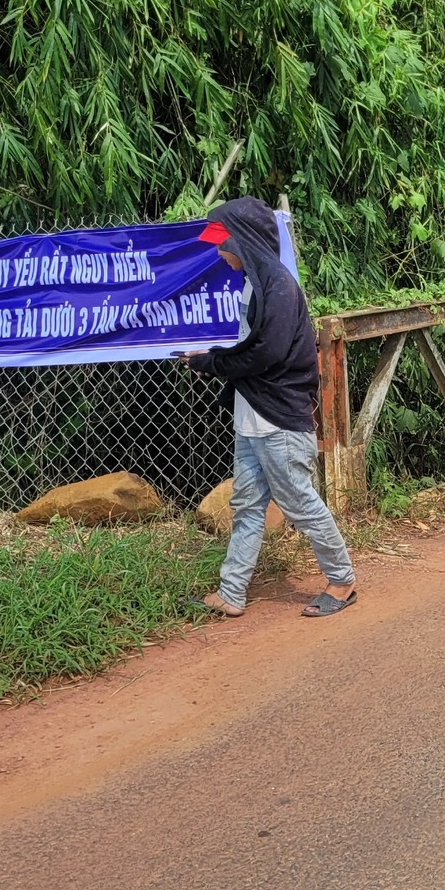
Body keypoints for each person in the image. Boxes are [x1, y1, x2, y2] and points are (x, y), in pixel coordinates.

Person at [181, 197, 358, 619]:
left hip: (278, 419)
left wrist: (210, 362)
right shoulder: (256, 283)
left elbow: (265, 354)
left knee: (299, 503)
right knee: (246, 505)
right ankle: (231, 592)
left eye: (223, 243)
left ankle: (343, 579)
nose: (220, 253)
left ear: (244, 241)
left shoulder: (279, 286)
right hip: (252, 418)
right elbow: (252, 349)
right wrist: (216, 357)